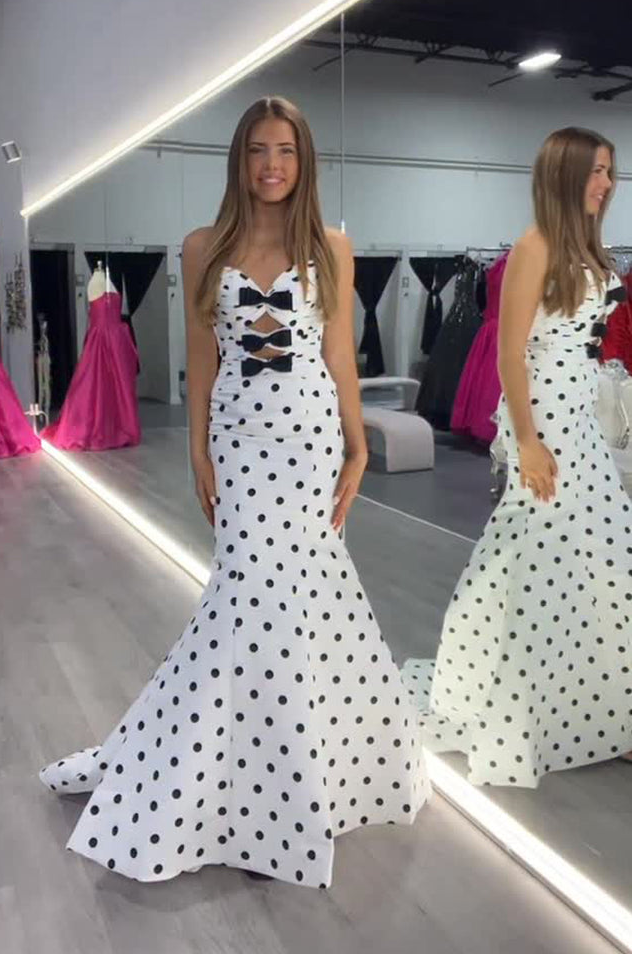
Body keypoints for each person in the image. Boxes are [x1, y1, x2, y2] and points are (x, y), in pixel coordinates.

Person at [39, 96, 429, 887]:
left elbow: (339, 357)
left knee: (301, 599)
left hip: (311, 441)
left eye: (284, 150)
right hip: (242, 447)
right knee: (249, 596)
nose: (271, 165)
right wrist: (197, 449)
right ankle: (244, 788)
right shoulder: (202, 247)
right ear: (239, 159)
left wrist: (357, 442)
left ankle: (286, 791)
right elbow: (203, 357)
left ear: (303, 159)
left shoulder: (330, 247)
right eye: (257, 150)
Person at [403, 126, 632, 788]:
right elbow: (509, 353)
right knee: (540, 553)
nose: (605, 183)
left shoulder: (587, 249)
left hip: (580, 417)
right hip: (546, 420)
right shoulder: (535, 246)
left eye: (609, 171)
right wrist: (527, 440)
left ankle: (599, 703)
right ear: (564, 174)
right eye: (594, 170)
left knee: (594, 554)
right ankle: (530, 703)